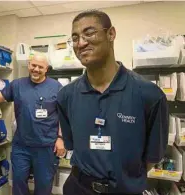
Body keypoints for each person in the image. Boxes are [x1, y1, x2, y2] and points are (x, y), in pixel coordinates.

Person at [57, 10, 169, 195]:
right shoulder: (66, 95)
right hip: (78, 188)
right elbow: (73, 146)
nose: (81, 43)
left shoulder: (149, 95)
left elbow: (152, 157)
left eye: (89, 33)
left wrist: (122, 178)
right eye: (75, 38)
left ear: (111, 34)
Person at [0, 53, 65, 195]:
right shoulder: (17, 85)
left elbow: (64, 114)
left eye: (40, 67)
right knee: (18, 184)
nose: (36, 69)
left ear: (46, 69)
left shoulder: (56, 87)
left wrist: (60, 138)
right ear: (29, 64)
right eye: (33, 65)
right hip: (22, 146)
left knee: (44, 186)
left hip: (46, 147)